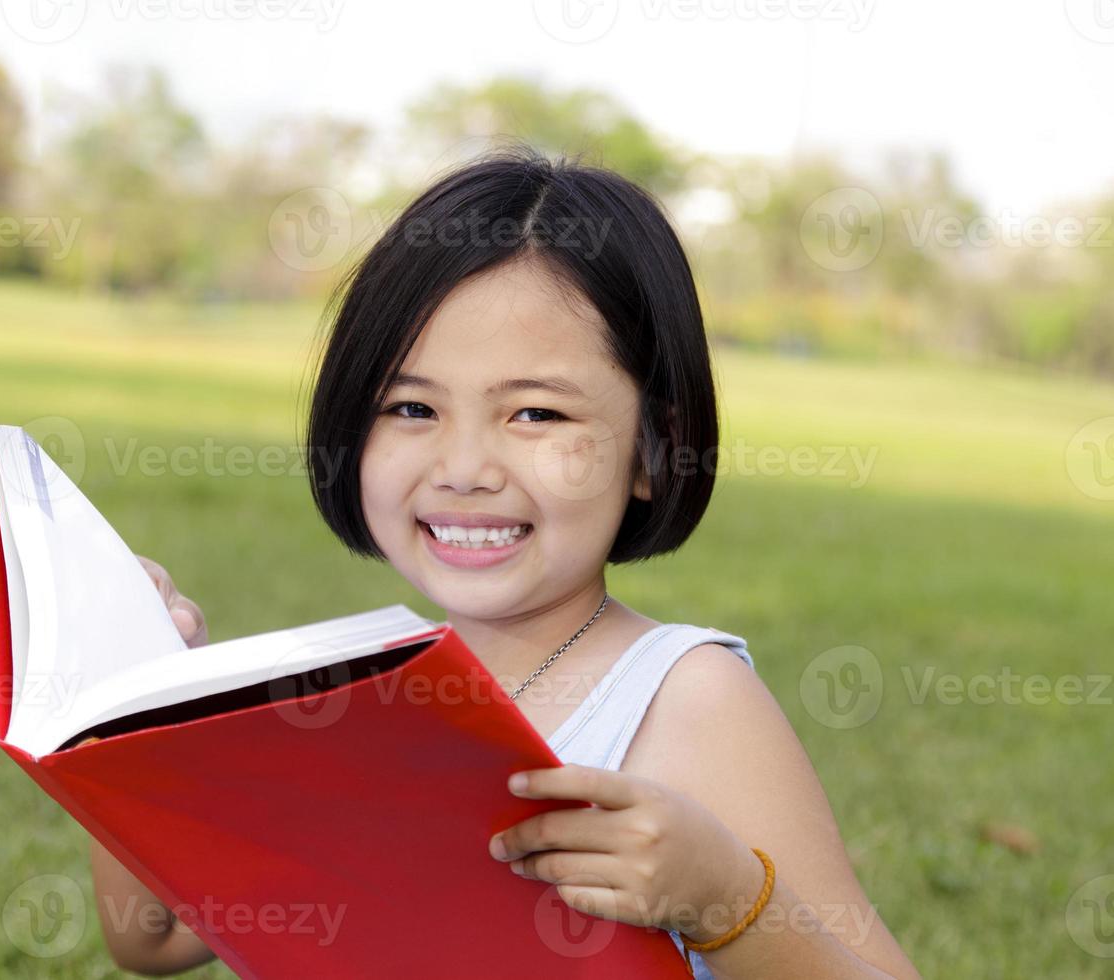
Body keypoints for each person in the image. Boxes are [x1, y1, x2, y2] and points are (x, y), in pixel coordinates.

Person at [92, 145, 922, 978]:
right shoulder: (359, 699)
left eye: (534, 413)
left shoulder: (686, 700)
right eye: (412, 406)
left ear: (653, 449)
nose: (464, 467)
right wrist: (145, 700)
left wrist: (723, 900)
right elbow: (153, 936)